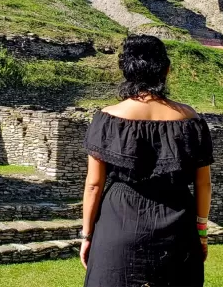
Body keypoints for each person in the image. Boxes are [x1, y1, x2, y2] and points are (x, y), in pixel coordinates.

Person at [80, 35, 214, 287]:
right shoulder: (190, 119)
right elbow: (203, 184)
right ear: (166, 70)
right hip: (178, 229)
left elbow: (94, 185)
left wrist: (87, 234)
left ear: (126, 71)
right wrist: (202, 233)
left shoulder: (106, 118)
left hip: (118, 224)